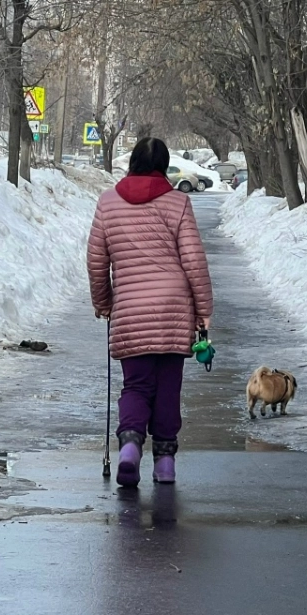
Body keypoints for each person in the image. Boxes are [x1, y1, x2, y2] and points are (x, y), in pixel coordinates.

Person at [87, 138, 213, 487]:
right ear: (164, 165)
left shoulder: (108, 203)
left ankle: (129, 447)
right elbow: (194, 262)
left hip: (130, 308)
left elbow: (98, 261)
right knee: (169, 388)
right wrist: (203, 312)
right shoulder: (178, 203)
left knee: (137, 386)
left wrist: (104, 303)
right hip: (174, 309)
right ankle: (165, 464)